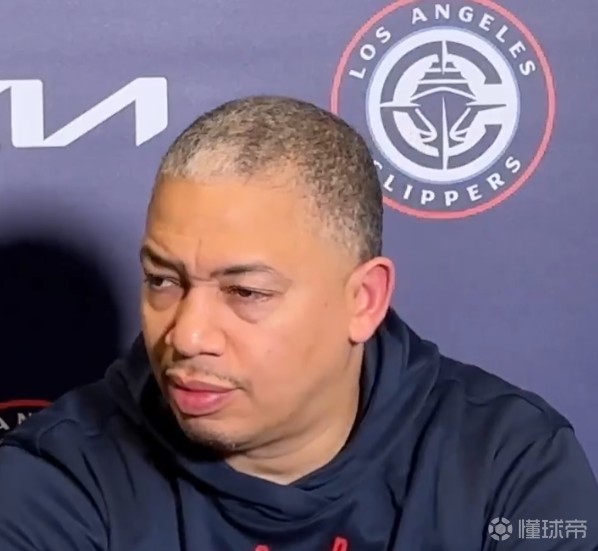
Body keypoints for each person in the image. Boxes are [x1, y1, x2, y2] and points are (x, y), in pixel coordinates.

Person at [0, 96, 597, 551]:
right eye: (163, 281)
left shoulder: (508, 464)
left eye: (246, 292)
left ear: (363, 300)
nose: (187, 336)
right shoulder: (52, 481)